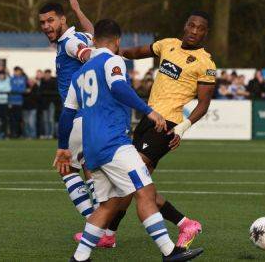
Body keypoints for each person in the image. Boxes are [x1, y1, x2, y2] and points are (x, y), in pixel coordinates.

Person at [57, 18, 203, 262]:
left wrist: (63, 147)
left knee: (107, 205)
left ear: (93, 41)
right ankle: (170, 251)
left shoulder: (79, 74)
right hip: (113, 144)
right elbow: (119, 88)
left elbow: (66, 115)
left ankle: (80, 258)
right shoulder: (114, 60)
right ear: (118, 42)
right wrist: (149, 111)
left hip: (91, 151)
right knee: (145, 190)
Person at [109, 10, 216, 249]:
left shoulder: (205, 63)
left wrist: (182, 128)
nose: (194, 31)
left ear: (205, 33)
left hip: (166, 125)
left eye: (200, 28)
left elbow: (204, 103)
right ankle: (109, 234)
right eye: (192, 25)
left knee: (130, 176)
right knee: (135, 184)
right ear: (185, 26)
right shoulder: (167, 44)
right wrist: (115, 53)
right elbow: (138, 52)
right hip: (149, 118)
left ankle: (185, 223)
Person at [39, 0, 97, 235]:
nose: (46, 26)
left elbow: (87, 54)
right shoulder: (78, 36)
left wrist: (95, 62)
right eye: (42, 22)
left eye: (50, 20)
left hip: (77, 117)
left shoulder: (70, 42)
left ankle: (96, 225)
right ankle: (103, 227)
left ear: (62, 21)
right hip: (92, 118)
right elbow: (92, 34)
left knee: (67, 169)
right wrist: (78, 10)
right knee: (88, 167)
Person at [9, 66, 27, 138]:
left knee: (19, 119)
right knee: (12, 119)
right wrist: (18, 89)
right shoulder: (11, 79)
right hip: (12, 102)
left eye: (18, 71)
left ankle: (19, 134)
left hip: (20, 102)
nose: (17, 72)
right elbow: (11, 88)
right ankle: (13, 133)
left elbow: (23, 89)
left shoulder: (23, 79)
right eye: (16, 71)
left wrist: (16, 89)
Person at [39, 69, 58, 139]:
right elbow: (40, 91)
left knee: (50, 119)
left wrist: (46, 93)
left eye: (48, 74)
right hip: (44, 104)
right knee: (45, 120)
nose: (47, 75)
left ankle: (51, 134)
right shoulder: (42, 81)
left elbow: (55, 91)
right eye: (46, 74)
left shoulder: (54, 81)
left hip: (51, 103)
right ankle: (47, 134)